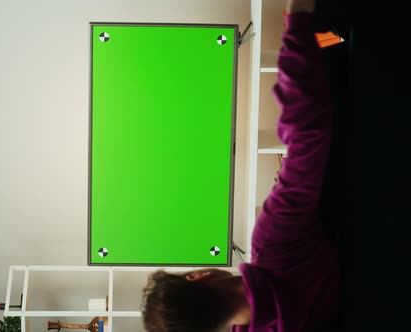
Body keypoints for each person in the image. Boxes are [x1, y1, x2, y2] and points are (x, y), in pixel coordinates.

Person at [141, 0, 340, 331]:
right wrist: (296, 21)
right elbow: (308, 133)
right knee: (335, 38)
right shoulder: (272, 243)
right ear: (198, 277)